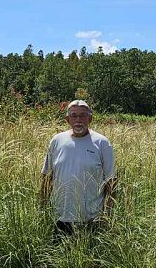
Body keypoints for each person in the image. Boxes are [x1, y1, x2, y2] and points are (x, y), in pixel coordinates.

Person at [40, 100, 116, 234]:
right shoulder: (57, 141)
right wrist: (42, 208)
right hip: (60, 216)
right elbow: (47, 177)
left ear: (90, 118)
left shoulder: (102, 143)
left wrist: (106, 215)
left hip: (91, 218)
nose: (78, 120)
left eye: (83, 115)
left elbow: (111, 181)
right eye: (74, 116)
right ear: (67, 119)